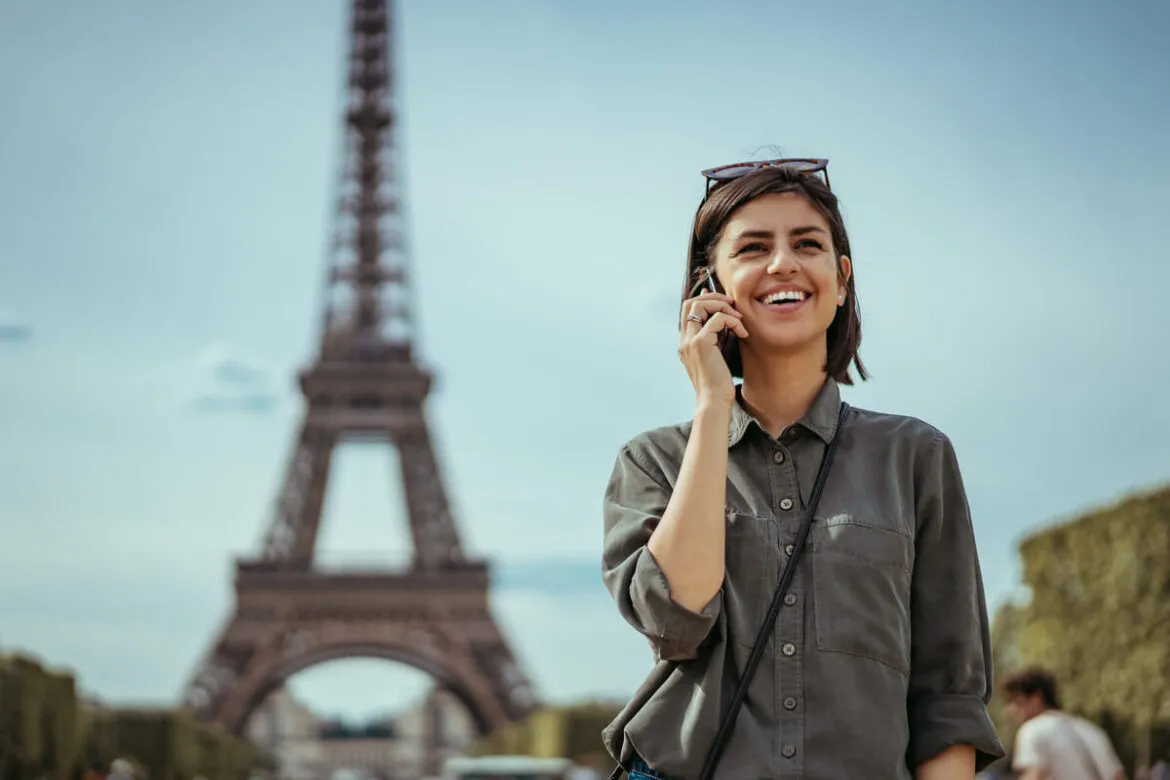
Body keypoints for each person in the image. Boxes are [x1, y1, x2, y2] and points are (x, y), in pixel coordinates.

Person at [600, 158, 1004, 779]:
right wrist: (712, 407)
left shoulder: (916, 456)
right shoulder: (653, 462)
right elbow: (675, 623)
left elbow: (949, 692)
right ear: (710, 287)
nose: (782, 263)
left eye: (807, 244)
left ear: (842, 279)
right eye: (754, 247)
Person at [1002, 667, 1126, 780]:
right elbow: (1118, 777)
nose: (1010, 710)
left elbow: (1035, 776)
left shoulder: (1032, 730)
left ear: (1037, 698)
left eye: (1015, 701)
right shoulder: (1092, 730)